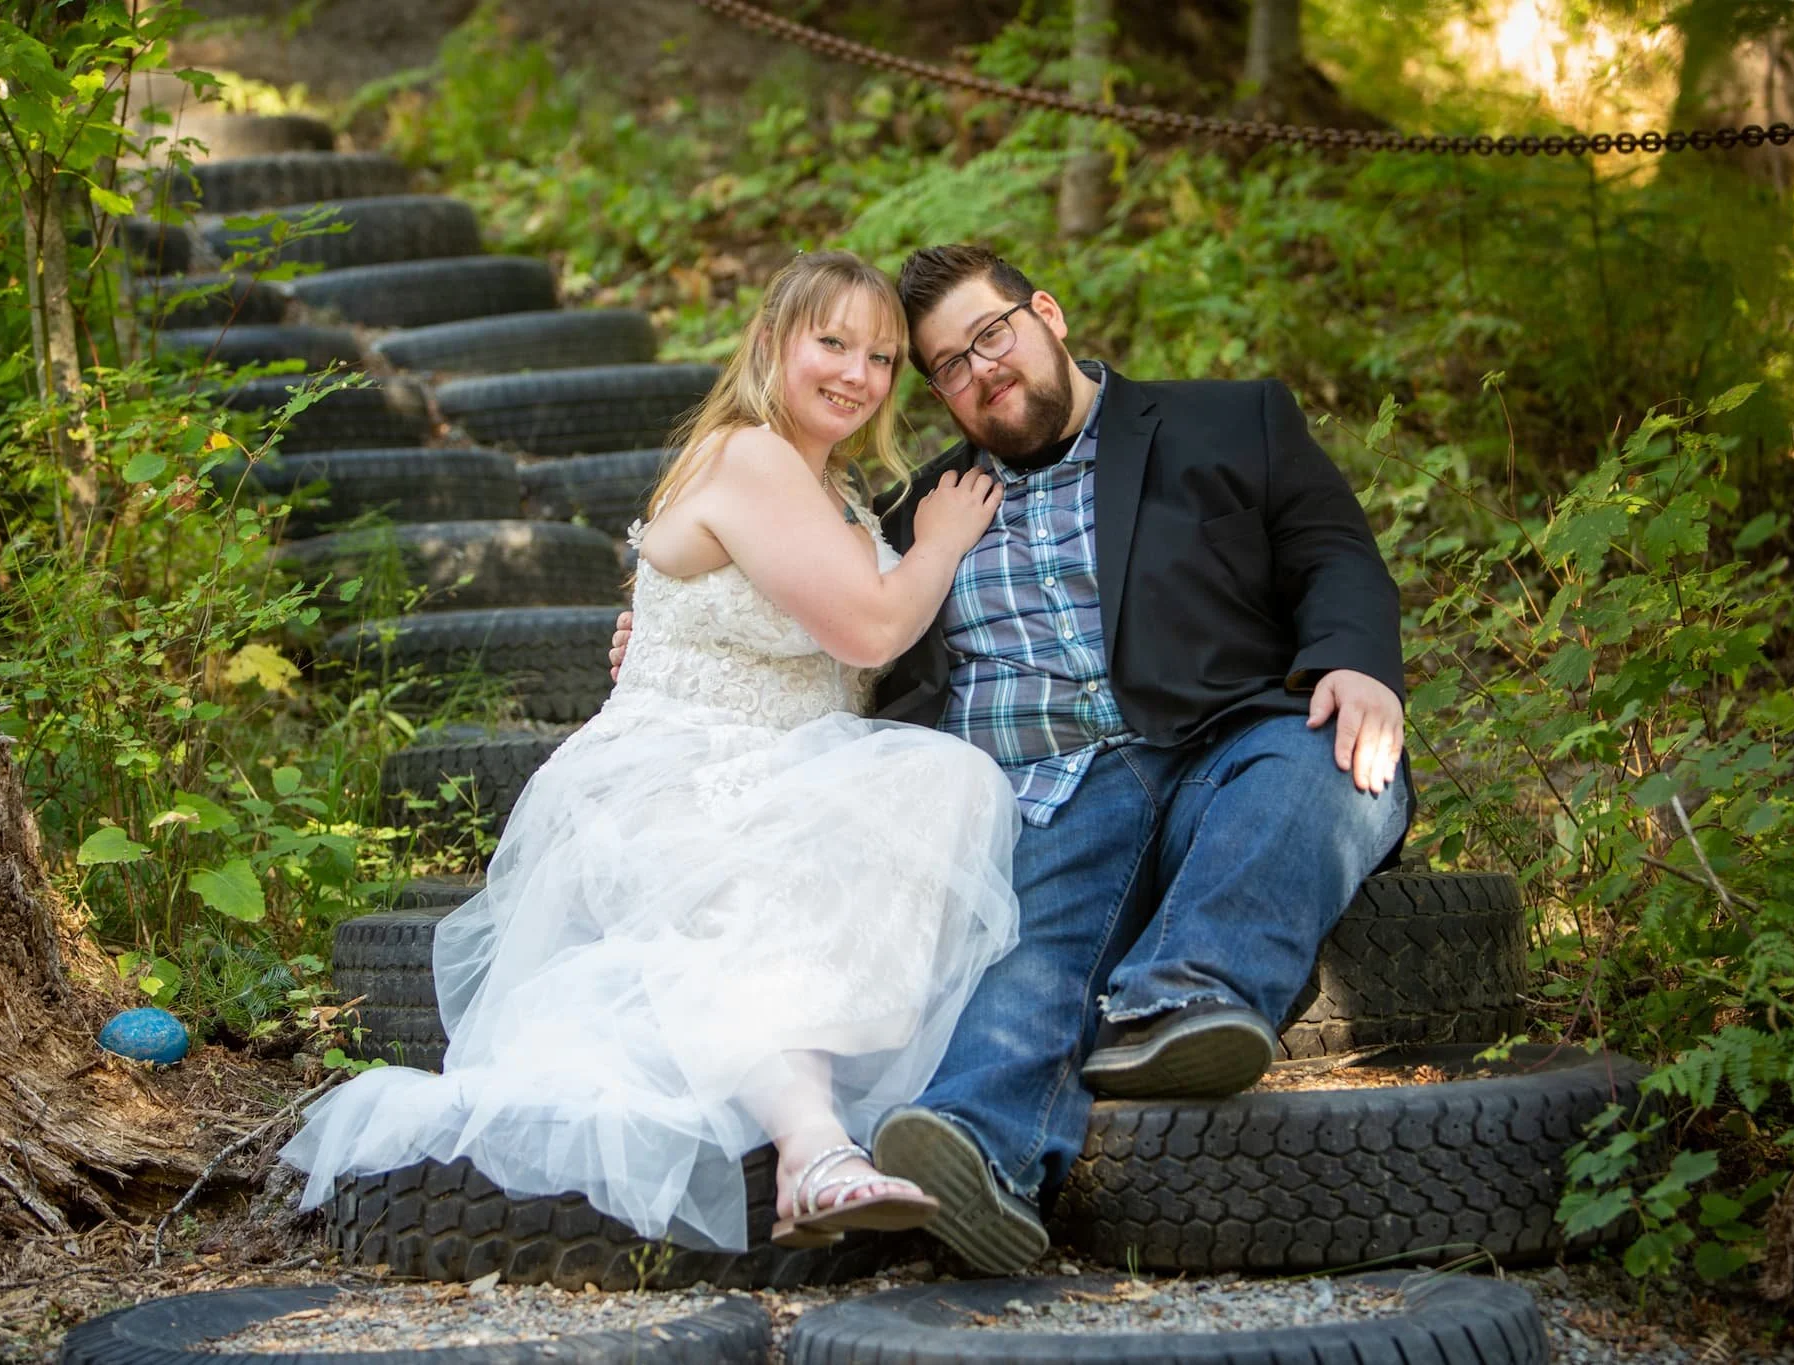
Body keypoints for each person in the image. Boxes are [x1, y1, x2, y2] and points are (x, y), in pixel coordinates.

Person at [609, 244, 1411, 1274]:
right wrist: (654, 638)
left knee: (1330, 764)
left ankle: (1187, 996)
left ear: (1046, 314)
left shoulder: (1226, 419)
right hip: (1046, 787)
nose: (978, 368)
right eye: (945, 364)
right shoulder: (919, 508)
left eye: (992, 335)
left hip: (1225, 742)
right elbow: (794, 597)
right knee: (1030, 955)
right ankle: (976, 1162)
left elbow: (1329, 547)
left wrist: (1356, 663)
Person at [281, 250, 1022, 1254]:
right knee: (905, 805)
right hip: (674, 776)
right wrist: (937, 542)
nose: (858, 373)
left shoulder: (834, 489)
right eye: (833, 342)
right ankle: (812, 1149)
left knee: (864, 843)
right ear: (769, 342)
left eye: (884, 358)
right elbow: (868, 633)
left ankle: (815, 1153)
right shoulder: (755, 455)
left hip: (776, 766)